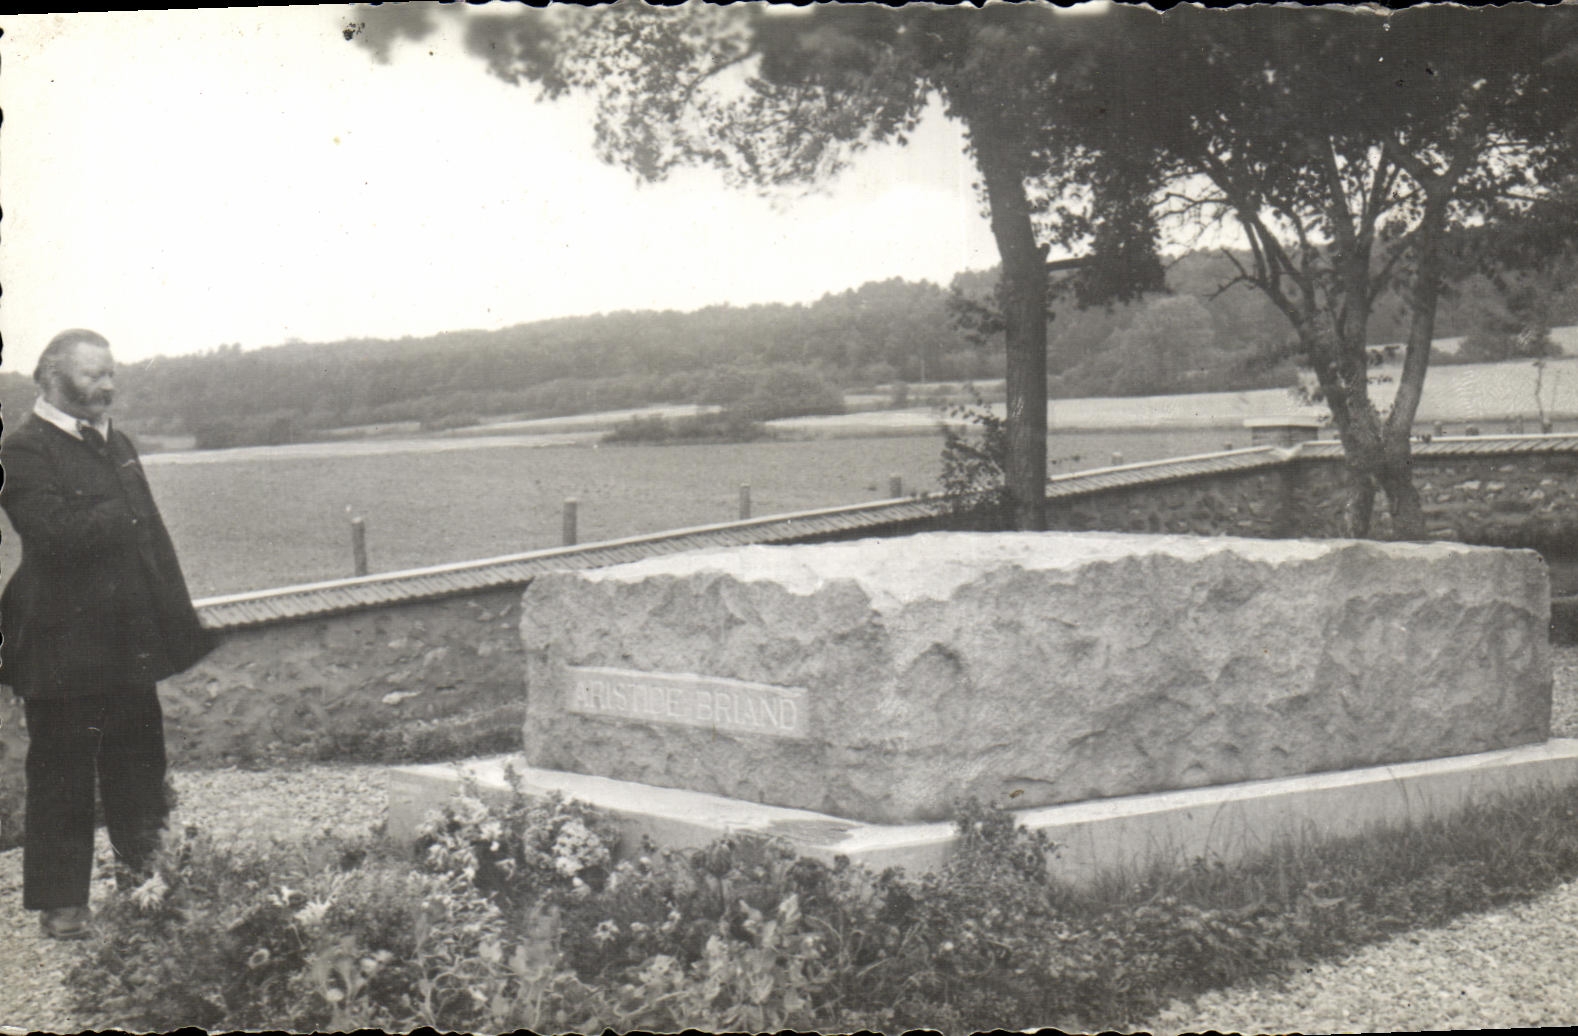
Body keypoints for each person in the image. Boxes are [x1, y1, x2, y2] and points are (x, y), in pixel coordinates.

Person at [0, 328, 215, 940]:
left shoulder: (114, 441)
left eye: (111, 373)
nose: (108, 385)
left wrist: (171, 622)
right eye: (94, 374)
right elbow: (54, 534)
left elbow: (152, 542)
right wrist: (120, 508)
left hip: (125, 638)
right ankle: (62, 907)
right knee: (63, 773)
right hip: (61, 641)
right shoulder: (22, 450)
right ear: (50, 377)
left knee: (140, 764)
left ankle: (149, 888)